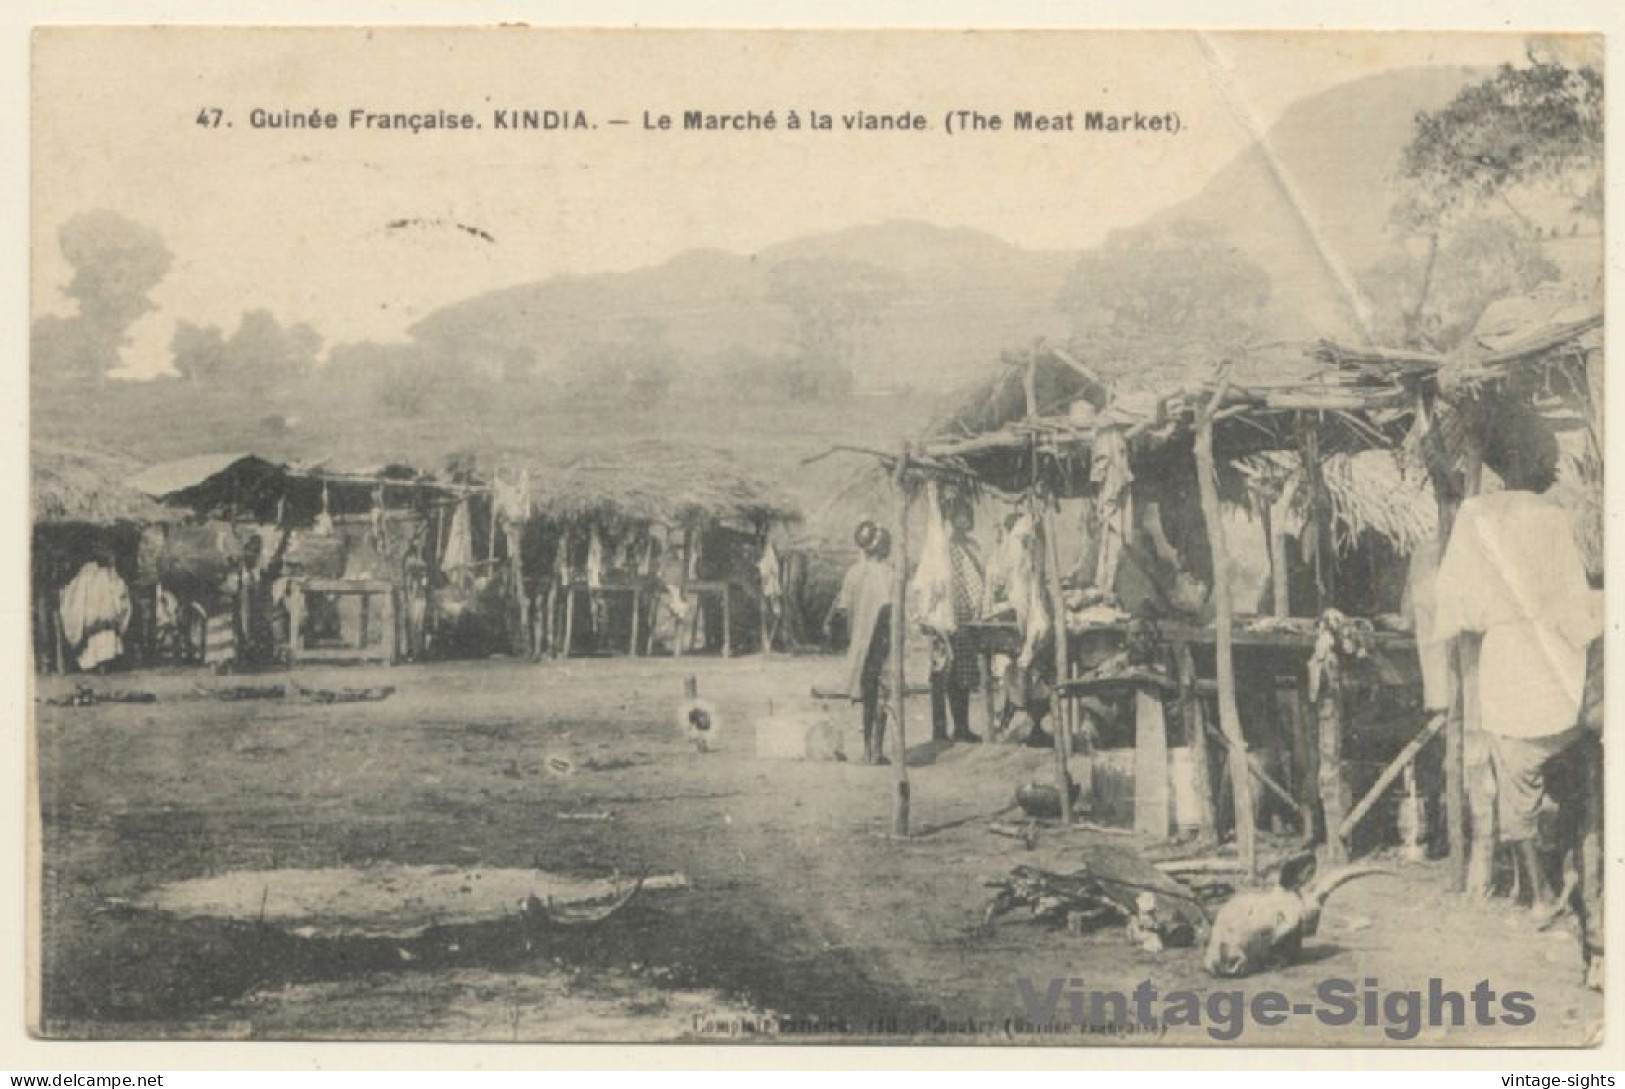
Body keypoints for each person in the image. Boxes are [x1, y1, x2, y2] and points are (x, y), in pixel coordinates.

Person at [1433, 454, 1602, 943]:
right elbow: (1574, 591)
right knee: (1571, 770)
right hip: (1556, 654)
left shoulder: (1479, 514)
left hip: (1510, 659)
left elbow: (1458, 598)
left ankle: (1541, 892)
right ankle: (1575, 878)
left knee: (1516, 787)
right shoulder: (1556, 514)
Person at [826, 521, 895, 765]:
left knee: (867, 695)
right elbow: (889, 608)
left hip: (860, 642)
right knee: (882, 695)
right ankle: (875, 750)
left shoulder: (853, 572)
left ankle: (868, 749)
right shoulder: (888, 573)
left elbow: (843, 609)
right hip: (883, 640)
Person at [930, 501, 985, 743]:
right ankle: (946, 727)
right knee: (947, 672)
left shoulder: (972, 546)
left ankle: (962, 726)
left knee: (964, 672)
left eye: (968, 515)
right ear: (952, 519)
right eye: (961, 515)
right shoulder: (946, 548)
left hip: (969, 616)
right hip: (952, 614)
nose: (966, 520)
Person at [58, 546, 132, 674]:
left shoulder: (111, 574)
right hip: (92, 618)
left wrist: (114, 607)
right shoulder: (87, 572)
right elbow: (78, 593)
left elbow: (119, 591)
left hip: (107, 618)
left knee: (106, 627)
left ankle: (104, 662)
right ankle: (94, 662)